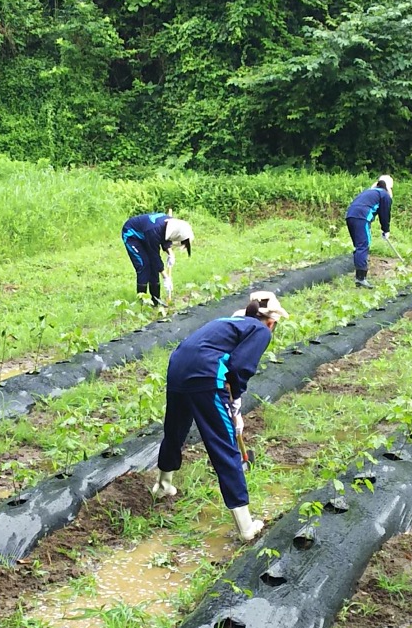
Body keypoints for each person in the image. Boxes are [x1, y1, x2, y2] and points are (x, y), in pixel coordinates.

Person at [151, 291, 287, 541]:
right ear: (271, 321)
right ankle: (246, 527)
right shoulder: (260, 331)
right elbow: (239, 368)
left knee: (175, 431)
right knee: (223, 445)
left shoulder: (228, 322)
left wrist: (233, 399)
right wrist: (234, 404)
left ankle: (163, 485)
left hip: (177, 370)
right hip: (205, 375)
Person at [121, 212, 194, 306]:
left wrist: (170, 253)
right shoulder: (154, 230)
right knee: (144, 265)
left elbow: (164, 237)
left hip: (147, 235)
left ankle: (156, 301)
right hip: (132, 235)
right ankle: (142, 302)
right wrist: (166, 277)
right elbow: (154, 256)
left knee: (154, 268)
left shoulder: (169, 224)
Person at [345, 175, 393, 288]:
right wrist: (386, 230)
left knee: (359, 246)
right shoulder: (384, 195)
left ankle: (359, 275)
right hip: (362, 217)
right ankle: (361, 279)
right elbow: (385, 214)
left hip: (350, 216)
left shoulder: (370, 192)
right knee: (363, 245)